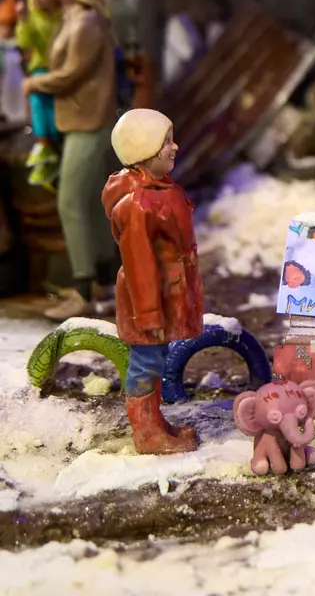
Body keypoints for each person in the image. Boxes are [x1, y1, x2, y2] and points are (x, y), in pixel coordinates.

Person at [24, 0, 119, 320]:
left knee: (70, 203)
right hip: (79, 120)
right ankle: (103, 281)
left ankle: (82, 289)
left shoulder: (86, 23)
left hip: (88, 122)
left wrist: (35, 83)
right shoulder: (72, 17)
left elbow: (70, 75)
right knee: (93, 204)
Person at [104, 108, 203, 455]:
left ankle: (155, 421)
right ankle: (146, 433)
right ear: (142, 149)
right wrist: (148, 314)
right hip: (149, 298)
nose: (174, 148)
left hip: (168, 291)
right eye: (165, 142)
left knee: (155, 359)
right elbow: (139, 264)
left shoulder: (161, 188)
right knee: (146, 362)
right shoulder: (138, 202)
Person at [14, 0, 62, 190]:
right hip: (42, 66)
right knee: (38, 99)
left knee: (54, 106)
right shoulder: (34, 16)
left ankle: (53, 144)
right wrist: (23, 20)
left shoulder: (63, 16)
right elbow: (24, 42)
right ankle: (44, 142)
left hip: (60, 67)